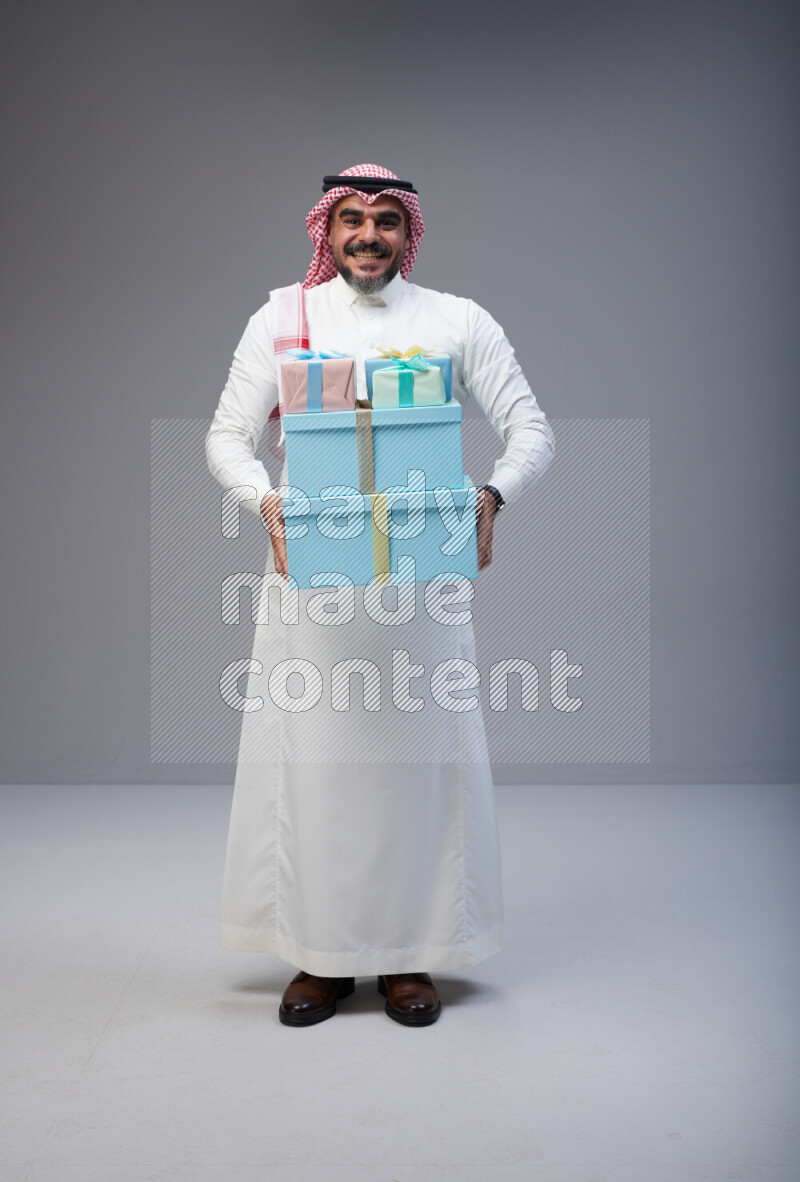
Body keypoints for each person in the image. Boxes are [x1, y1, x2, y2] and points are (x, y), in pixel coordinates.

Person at [205, 163, 555, 1027]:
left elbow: (532, 428)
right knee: (318, 775)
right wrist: (269, 505)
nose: (368, 235)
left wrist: (492, 495)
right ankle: (321, 960)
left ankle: (409, 957)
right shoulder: (283, 317)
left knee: (416, 773)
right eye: (353, 218)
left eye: (387, 220)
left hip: (420, 597)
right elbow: (225, 437)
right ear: (326, 229)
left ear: (410, 232)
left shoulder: (454, 321)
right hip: (312, 597)